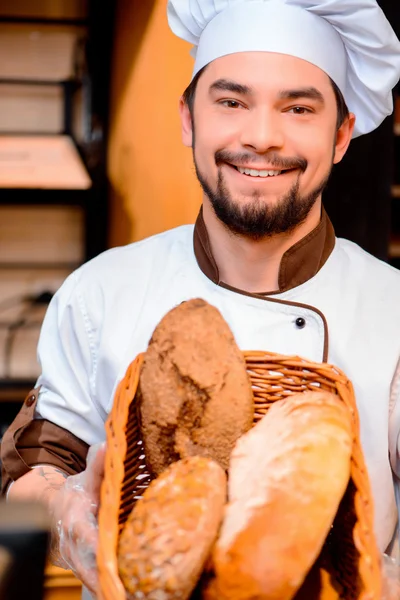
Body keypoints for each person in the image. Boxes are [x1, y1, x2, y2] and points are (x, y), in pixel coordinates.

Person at [2, 0, 400, 597]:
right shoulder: (100, 291)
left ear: (341, 135)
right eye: (231, 102)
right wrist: (67, 520)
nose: (261, 138)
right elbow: (24, 480)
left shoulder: (391, 309)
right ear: (189, 120)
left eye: (298, 108)